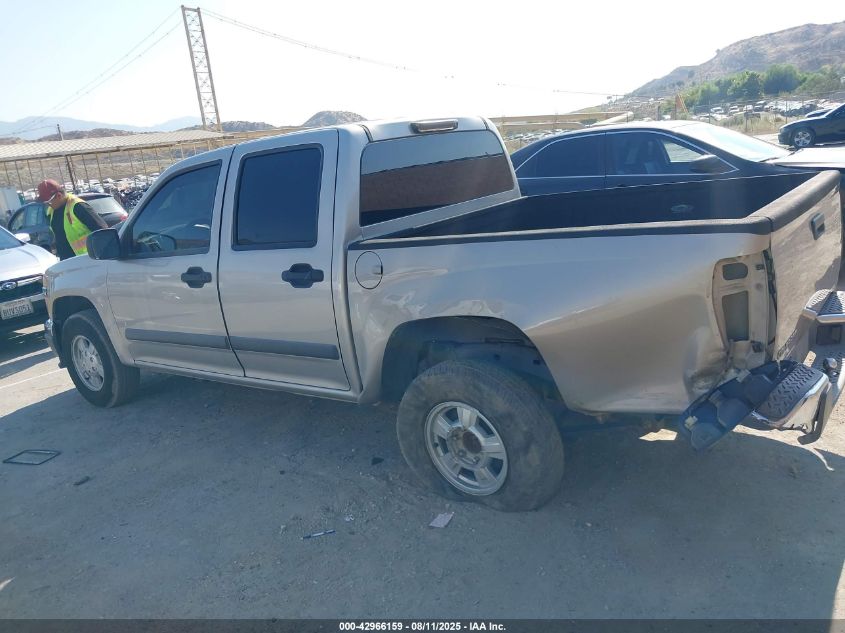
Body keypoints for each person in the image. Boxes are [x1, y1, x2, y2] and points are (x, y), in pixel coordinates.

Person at [36, 180, 107, 260]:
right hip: (67, 262)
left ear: (59, 196)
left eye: (48, 202)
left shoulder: (78, 207)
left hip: (88, 260)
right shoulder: (51, 211)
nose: (47, 205)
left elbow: (103, 232)